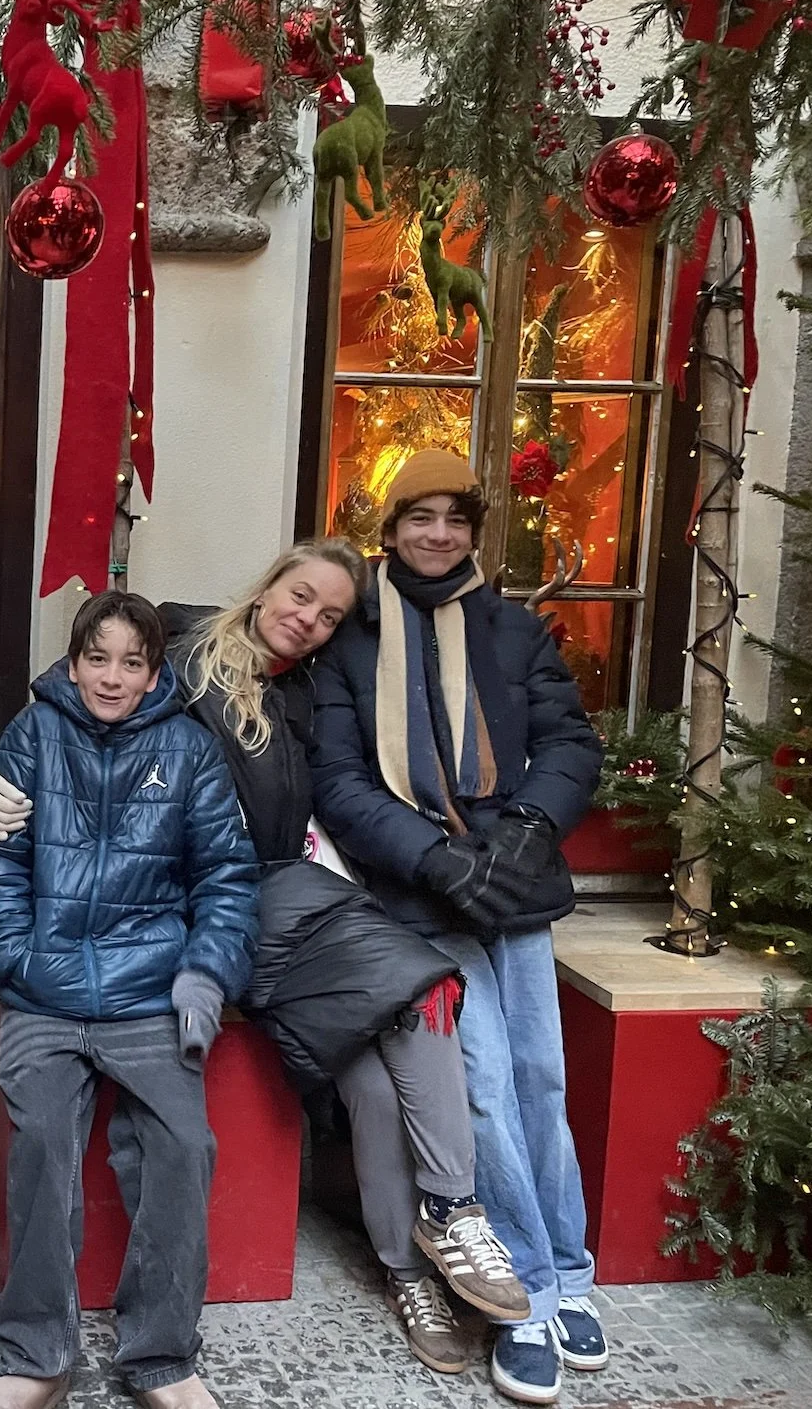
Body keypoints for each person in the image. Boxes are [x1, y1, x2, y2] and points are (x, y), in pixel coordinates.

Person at [0, 542, 531, 1378]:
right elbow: (66, 713)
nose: (309, 619)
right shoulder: (177, 647)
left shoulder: (308, 690)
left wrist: (206, 964)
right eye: (300, 596)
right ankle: (39, 1354)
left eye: (330, 614)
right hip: (124, 943)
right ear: (267, 586)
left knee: (405, 1000)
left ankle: (442, 1217)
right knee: (60, 1139)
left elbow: (273, 836)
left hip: (238, 911)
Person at [306, 450, 606, 1407]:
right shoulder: (351, 640)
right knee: (480, 1086)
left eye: (455, 518)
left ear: (475, 530)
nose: (437, 534)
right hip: (417, 896)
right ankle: (522, 1293)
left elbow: (569, 743)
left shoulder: (513, 628)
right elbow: (339, 781)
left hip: (516, 888)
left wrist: (526, 830)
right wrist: (433, 859)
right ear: (390, 529)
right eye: (419, 517)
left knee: (539, 1075)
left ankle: (570, 1264)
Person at [0, 590, 261, 1409]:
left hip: (148, 993)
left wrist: (205, 971)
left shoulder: (189, 750)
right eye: (98, 658)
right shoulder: (32, 736)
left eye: (132, 662)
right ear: (74, 661)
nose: (112, 677)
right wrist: (17, 956)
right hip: (45, 990)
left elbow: (227, 879)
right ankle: (37, 1355)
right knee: (41, 1140)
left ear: (155, 672)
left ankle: (162, 1356)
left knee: (183, 1145)